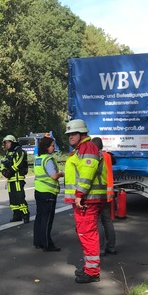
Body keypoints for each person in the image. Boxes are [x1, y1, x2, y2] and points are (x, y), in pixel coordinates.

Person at [64, 119, 106, 284]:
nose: (70, 137)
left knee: (87, 234)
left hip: (87, 200)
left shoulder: (86, 148)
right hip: (87, 199)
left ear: (82, 134)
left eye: (73, 134)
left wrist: (79, 194)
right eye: (69, 135)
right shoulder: (81, 149)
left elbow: (86, 173)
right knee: (86, 233)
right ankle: (90, 267)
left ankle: (92, 272)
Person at [33, 136, 63, 252]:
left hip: (39, 191)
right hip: (48, 193)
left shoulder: (38, 159)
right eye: (52, 145)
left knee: (39, 217)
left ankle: (38, 242)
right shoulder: (48, 160)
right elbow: (54, 176)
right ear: (46, 147)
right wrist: (61, 173)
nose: (54, 147)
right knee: (47, 219)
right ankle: (47, 244)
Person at [92, 137, 117, 255]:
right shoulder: (107, 156)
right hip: (109, 192)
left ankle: (100, 249)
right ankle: (111, 246)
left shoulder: (95, 157)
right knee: (107, 221)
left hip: (99, 192)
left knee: (98, 222)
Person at [1, 135, 29, 223]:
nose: (7, 144)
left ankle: (25, 215)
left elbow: (19, 163)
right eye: (5, 143)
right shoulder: (7, 153)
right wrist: (3, 171)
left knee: (20, 198)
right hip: (10, 180)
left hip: (18, 179)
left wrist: (10, 170)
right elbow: (3, 163)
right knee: (13, 199)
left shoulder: (20, 151)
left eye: (8, 142)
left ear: (13, 142)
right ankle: (16, 215)